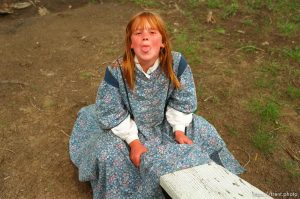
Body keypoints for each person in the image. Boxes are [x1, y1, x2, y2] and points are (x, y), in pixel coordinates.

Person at [69, 11, 244, 199]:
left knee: (204, 131)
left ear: (163, 42)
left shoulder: (176, 63)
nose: (145, 37)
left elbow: (183, 99)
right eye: (138, 33)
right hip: (129, 127)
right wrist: (134, 142)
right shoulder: (117, 70)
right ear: (131, 43)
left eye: (152, 32)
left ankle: (217, 185)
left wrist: (178, 130)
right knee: (108, 154)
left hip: (166, 122)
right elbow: (111, 110)